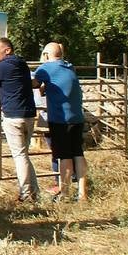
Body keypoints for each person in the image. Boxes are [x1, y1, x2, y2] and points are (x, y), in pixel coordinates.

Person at [0, 37, 39, 202]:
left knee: (19, 155)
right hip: (29, 114)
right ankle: (34, 192)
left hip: (13, 115)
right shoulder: (22, 64)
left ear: (7, 50)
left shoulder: (3, 66)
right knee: (23, 154)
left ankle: (26, 194)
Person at [34, 42, 89, 202]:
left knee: (64, 156)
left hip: (60, 119)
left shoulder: (46, 68)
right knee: (78, 154)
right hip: (77, 117)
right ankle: (82, 193)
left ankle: (65, 194)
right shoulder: (69, 67)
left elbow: (34, 83)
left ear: (46, 55)